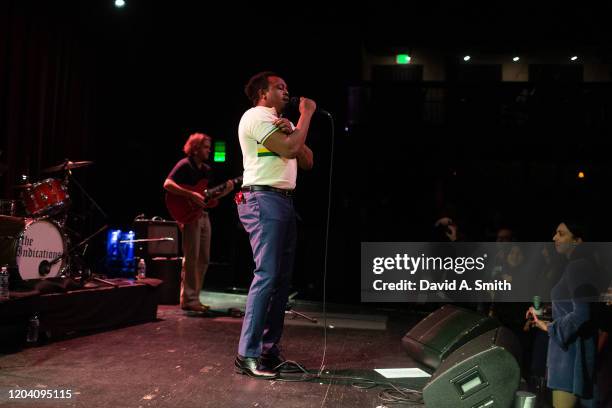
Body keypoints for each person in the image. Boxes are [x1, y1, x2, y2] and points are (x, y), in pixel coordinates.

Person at [234, 71, 314, 379]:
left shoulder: (282, 124)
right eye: (279, 87)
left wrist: (296, 126)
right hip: (262, 199)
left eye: (287, 87)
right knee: (266, 275)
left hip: (282, 200)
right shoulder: (256, 116)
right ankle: (247, 354)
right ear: (263, 94)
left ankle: (268, 351)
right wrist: (306, 114)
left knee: (281, 280)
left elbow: (307, 160)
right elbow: (292, 150)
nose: (286, 92)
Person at [526, 220, 602, 407]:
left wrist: (551, 327)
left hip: (569, 360)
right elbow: (575, 306)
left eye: (561, 234)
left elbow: (582, 314)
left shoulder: (578, 267)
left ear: (576, 241)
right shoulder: (580, 266)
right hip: (571, 355)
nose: (554, 238)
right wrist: (546, 311)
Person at [163, 133, 234, 313]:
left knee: (203, 258)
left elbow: (207, 197)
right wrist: (190, 195)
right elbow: (167, 184)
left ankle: (194, 297)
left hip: (203, 215)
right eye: (205, 147)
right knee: (192, 258)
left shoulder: (206, 170)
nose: (209, 150)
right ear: (195, 148)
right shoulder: (184, 165)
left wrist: (226, 190)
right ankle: (188, 299)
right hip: (189, 217)